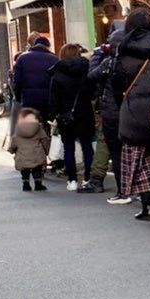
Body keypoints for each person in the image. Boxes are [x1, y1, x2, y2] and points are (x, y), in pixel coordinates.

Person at [112, 9, 150, 221]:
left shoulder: (122, 53)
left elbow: (116, 84)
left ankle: (147, 207)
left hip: (133, 115)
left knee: (140, 162)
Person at [87, 27, 130, 203]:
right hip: (132, 111)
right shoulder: (136, 61)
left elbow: (92, 76)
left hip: (112, 112)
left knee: (116, 151)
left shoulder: (109, 62)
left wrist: (98, 55)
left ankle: (123, 191)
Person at [48, 44, 96, 192]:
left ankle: (72, 180)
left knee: (68, 148)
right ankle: (88, 178)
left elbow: (53, 98)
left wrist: (53, 114)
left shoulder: (57, 73)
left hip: (65, 115)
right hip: (85, 113)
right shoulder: (87, 69)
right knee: (87, 147)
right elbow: (93, 92)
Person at [13, 36, 58, 128]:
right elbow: (57, 80)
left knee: (31, 126)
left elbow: (17, 80)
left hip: (28, 99)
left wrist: (18, 97)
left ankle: (34, 140)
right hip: (48, 99)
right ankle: (47, 140)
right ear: (47, 46)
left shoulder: (22, 58)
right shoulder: (54, 59)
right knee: (47, 124)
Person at [8, 108, 50, 192]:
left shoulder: (17, 130)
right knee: (37, 168)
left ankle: (26, 184)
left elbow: (14, 143)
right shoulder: (38, 128)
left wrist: (12, 150)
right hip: (36, 154)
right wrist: (47, 151)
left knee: (24, 169)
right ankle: (38, 183)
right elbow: (45, 140)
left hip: (22, 155)